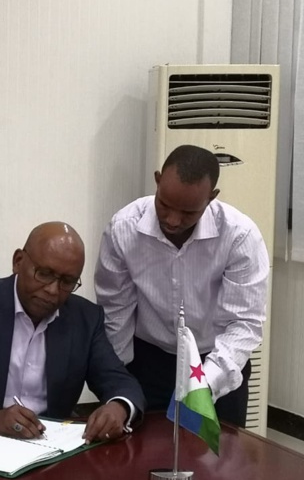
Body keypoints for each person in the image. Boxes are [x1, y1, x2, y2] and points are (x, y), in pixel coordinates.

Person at [0, 222, 144, 441]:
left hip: (44, 449)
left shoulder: (85, 319)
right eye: (44, 274)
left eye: (67, 282)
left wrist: (119, 406)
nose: (52, 290)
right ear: (18, 261)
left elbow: (120, 381)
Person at [94, 144, 269, 427]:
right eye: (164, 205)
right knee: (140, 457)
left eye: (188, 212)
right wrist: (118, 380)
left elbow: (243, 325)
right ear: (157, 180)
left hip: (216, 361)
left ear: (212, 198)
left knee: (219, 464)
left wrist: (205, 383)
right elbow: (115, 311)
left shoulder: (239, 236)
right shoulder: (123, 228)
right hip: (148, 361)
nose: (173, 220)